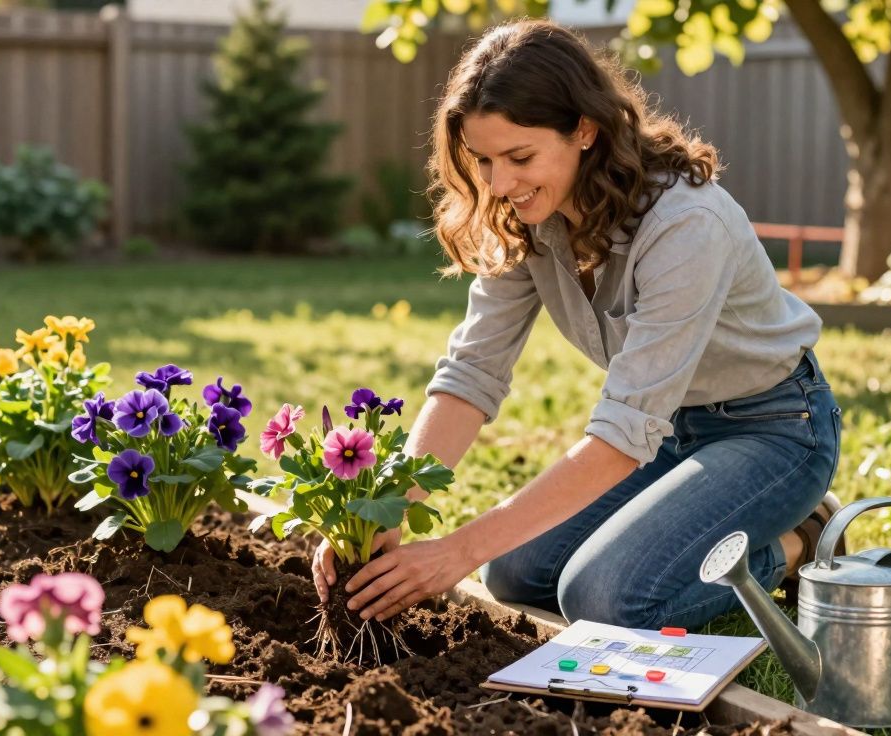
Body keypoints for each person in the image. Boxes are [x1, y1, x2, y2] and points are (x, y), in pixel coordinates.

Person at [311, 18, 842, 631]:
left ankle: (802, 540)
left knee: (604, 599)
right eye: (483, 160)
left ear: (585, 129)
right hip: (670, 431)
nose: (500, 184)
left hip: (775, 430)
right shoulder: (526, 216)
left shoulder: (685, 226)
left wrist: (456, 551)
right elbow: (472, 372)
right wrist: (384, 508)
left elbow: (622, 433)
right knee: (511, 572)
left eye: (520, 156)